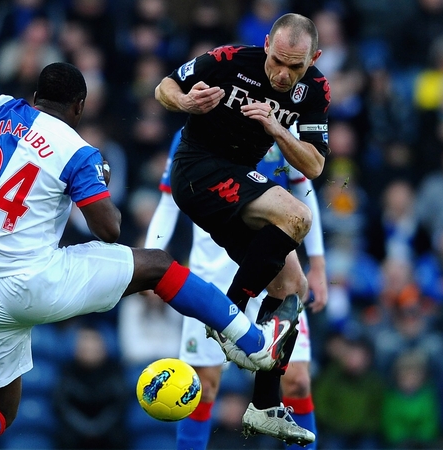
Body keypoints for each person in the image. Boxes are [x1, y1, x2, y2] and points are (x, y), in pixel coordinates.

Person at [0, 41, 300, 450]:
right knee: (157, 264)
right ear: (80, 107)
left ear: (34, 93)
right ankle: (254, 343)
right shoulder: (75, 149)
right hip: (35, 281)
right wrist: (99, 178)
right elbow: (107, 229)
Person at [154, 12, 329, 445]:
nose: (282, 74)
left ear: (315, 59)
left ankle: (265, 403)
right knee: (296, 217)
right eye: (277, 61)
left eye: (296, 66)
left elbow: (316, 166)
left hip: (239, 188)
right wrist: (186, 103)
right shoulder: (230, 60)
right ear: (266, 43)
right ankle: (231, 310)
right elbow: (164, 87)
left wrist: (276, 128)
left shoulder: (315, 91)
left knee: (292, 286)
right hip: (199, 170)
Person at [144, 127, 327, 450]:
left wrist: (319, 264)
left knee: (297, 381)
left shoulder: (284, 129)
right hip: (212, 273)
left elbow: (304, 193)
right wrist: (150, 254)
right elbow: (169, 203)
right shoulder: (196, 129)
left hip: (275, 271)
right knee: (203, 386)